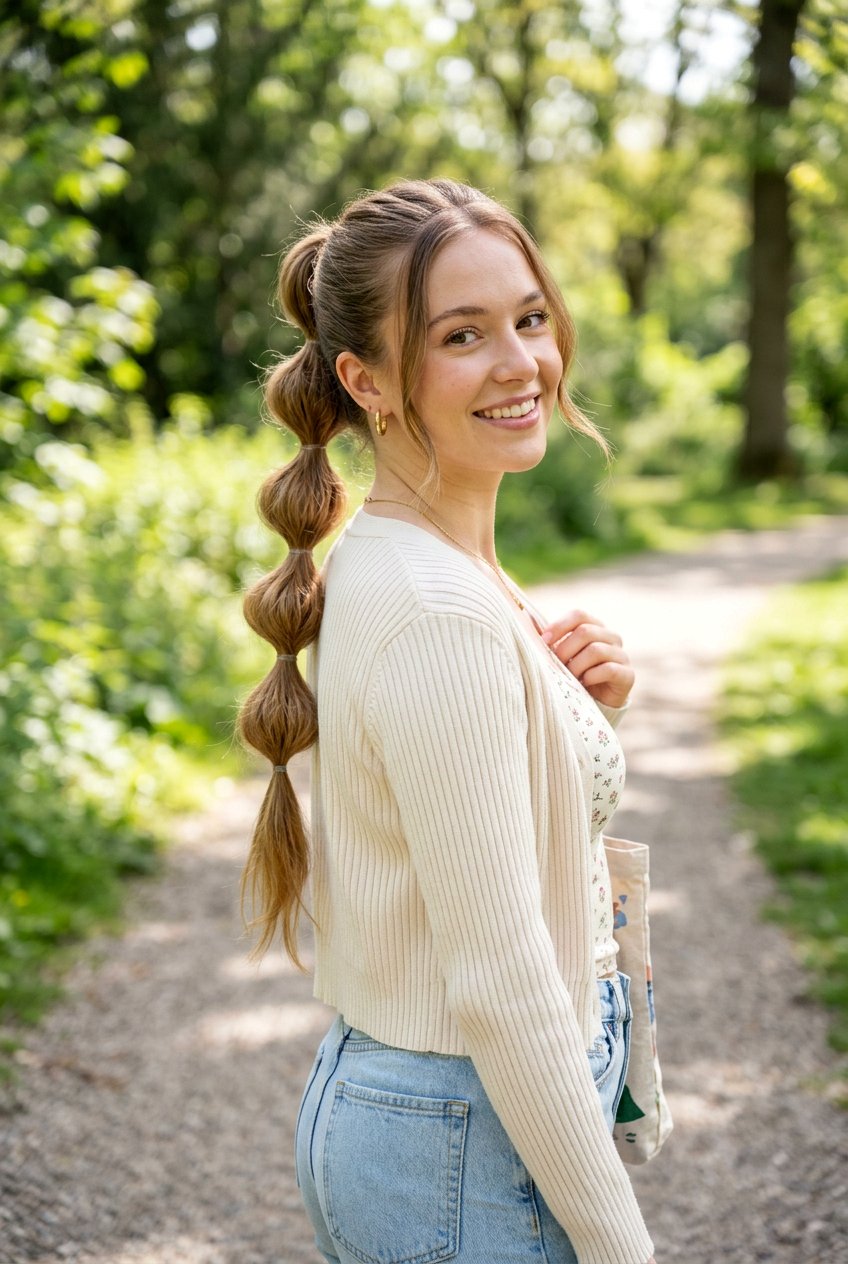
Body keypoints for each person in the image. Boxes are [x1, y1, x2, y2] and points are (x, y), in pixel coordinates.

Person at [238, 178, 657, 1264]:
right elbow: (503, 980)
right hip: (464, 1143)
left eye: (526, 316)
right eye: (460, 335)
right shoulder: (436, 610)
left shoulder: (427, 561)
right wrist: (620, 1242)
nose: (519, 361)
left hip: (447, 1123)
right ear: (365, 380)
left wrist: (575, 711)